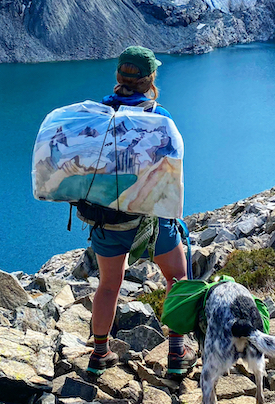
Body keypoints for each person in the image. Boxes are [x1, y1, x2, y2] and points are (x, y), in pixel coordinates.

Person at [84, 45, 196, 378]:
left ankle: (99, 354)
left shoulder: (98, 114)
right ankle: (177, 355)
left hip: (106, 218)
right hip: (151, 220)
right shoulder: (158, 116)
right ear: (149, 81)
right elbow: (172, 166)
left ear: (119, 76)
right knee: (177, 279)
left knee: (108, 286)